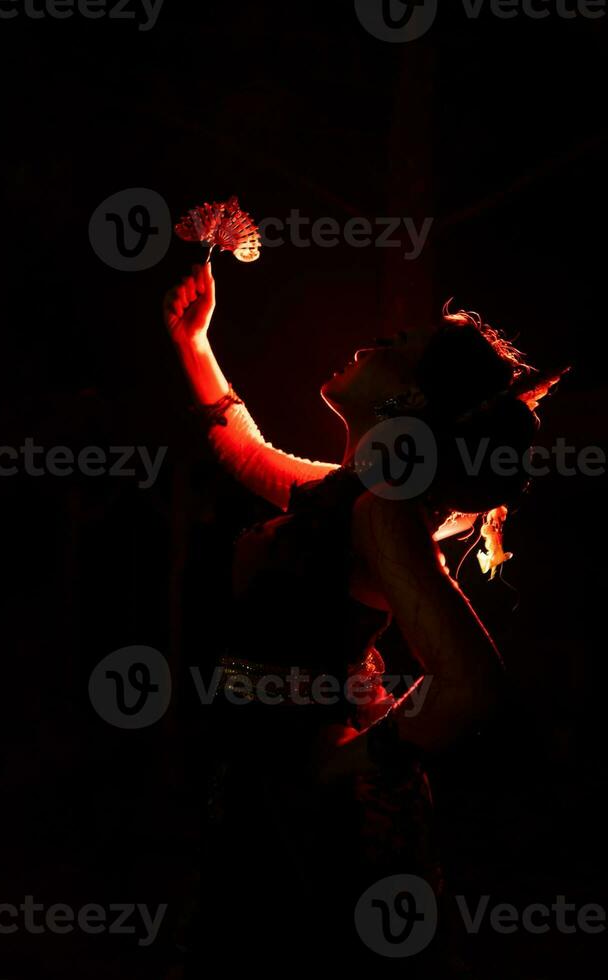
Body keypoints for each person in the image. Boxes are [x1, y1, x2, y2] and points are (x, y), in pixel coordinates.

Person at [165, 261, 560, 974]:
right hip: (259, 776)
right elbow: (245, 453)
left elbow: (472, 690)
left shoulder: (382, 517)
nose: (371, 343)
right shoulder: (345, 497)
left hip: (306, 807)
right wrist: (195, 342)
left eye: (395, 343)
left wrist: (357, 755)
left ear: (406, 395)